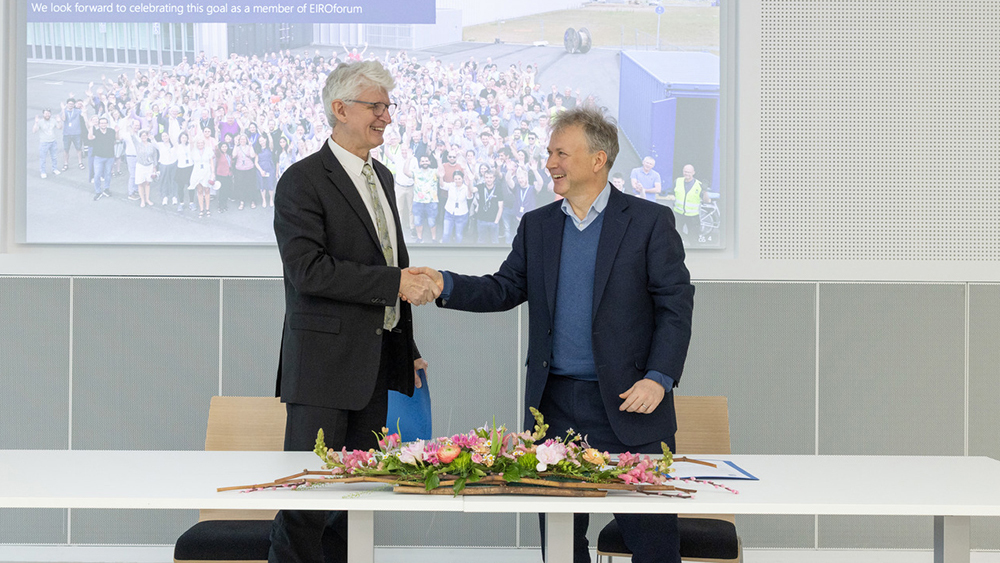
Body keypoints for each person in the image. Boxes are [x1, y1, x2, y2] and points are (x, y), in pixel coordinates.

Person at [415, 107, 694, 563]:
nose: (550, 163)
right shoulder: (538, 225)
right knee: (562, 548)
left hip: (630, 405)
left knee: (654, 546)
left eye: (561, 153)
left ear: (598, 159)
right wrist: (446, 284)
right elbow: (505, 288)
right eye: (549, 153)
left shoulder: (649, 222)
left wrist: (658, 377)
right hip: (556, 409)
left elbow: (675, 307)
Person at [269, 59, 440, 563]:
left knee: (356, 499)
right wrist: (396, 283)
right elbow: (310, 272)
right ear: (340, 109)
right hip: (322, 369)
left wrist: (405, 347)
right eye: (375, 106)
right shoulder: (302, 181)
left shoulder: (382, 177)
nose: (386, 116)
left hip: (376, 364)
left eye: (389, 106)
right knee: (306, 504)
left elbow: (387, 259)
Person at [668, 164, 709, 245]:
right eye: (685, 171)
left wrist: (705, 191)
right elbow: (672, 193)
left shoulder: (699, 185)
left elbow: (707, 201)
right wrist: (671, 197)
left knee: (693, 239)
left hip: (692, 216)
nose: (686, 173)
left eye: (689, 172)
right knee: (675, 236)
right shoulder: (677, 181)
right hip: (678, 214)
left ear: (693, 172)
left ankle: (695, 255)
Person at [88, 116, 115, 201]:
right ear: (99, 124)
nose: (103, 124)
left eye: (105, 123)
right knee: (97, 175)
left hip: (109, 157)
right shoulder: (96, 132)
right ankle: (98, 191)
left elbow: (117, 138)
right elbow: (90, 137)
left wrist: (117, 131)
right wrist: (91, 126)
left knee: (108, 174)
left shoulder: (111, 131)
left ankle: (106, 189)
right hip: (98, 157)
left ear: (107, 124)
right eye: (101, 123)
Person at [33, 109, 62, 179]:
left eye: (48, 113)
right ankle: (43, 172)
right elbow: (34, 131)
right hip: (44, 142)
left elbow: (59, 127)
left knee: (54, 157)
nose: (47, 115)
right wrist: (36, 123)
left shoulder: (53, 120)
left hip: (53, 141)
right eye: (46, 113)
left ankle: (54, 169)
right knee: (43, 158)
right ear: (43, 114)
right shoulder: (40, 122)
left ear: (50, 114)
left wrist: (59, 121)